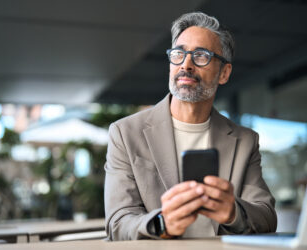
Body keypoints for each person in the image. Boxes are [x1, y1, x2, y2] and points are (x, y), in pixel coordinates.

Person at [104, 12, 277, 241]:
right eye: (179, 54)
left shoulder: (245, 141)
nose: (186, 64)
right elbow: (117, 222)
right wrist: (162, 223)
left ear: (224, 73)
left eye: (201, 55)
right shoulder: (125, 133)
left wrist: (233, 213)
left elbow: (266, 217)